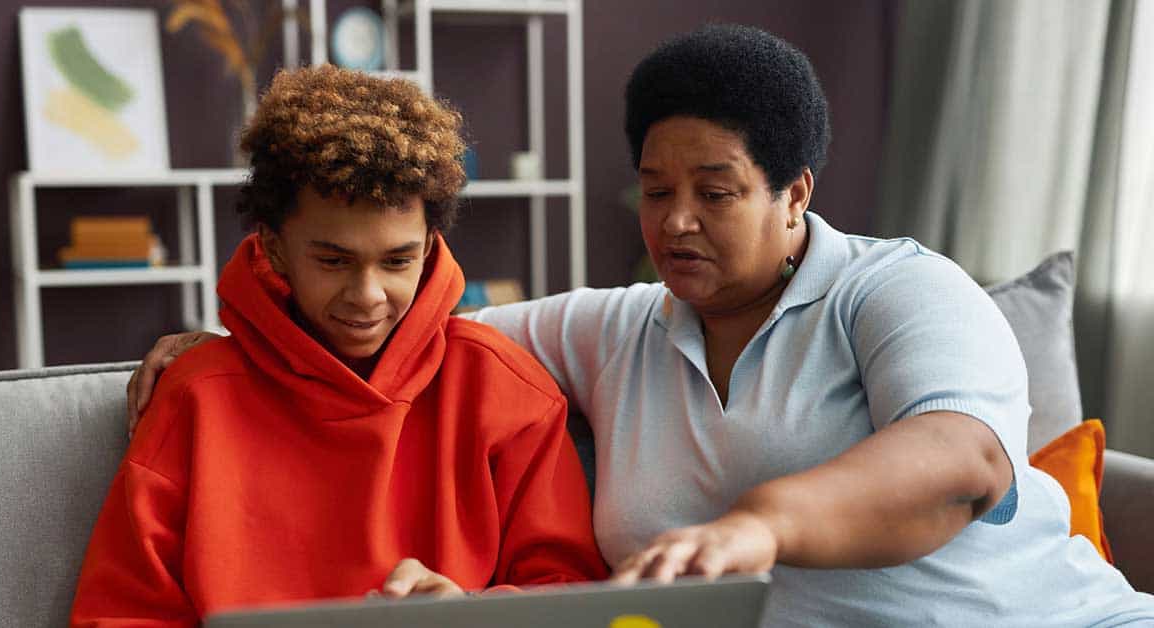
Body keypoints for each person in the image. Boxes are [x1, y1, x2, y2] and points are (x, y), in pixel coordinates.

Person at [127, 25, 1154, 626]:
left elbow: (963, 460)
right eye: (656, 190)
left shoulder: (898, 291)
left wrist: (760, 525)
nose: (676, 221)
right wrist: (234, 337)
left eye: (716, 191)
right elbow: (408, 325)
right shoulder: (608, 329)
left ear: (796, 193)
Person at [71, 66, 607, 626]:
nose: (367, 295)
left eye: (397, 261)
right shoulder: (194, 397)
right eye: (333, 260)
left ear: (429, 246)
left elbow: (574, 599)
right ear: (275, 248)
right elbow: (121, 614)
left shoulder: (504, 389)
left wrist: (468, 614)